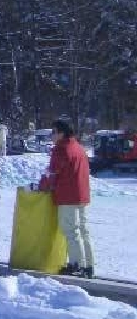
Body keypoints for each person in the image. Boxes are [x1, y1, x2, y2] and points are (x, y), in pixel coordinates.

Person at [42, 119, 94, 278]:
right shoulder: (78, 147)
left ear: (61, 133)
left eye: (53, 132)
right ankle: (89, 265)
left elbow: (52, 174)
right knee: (84, 230)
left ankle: (76, 264)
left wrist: (41, 186)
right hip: (82, 195)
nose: (52, 135)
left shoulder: (61, 149)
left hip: (68, 196)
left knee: (71, 231)